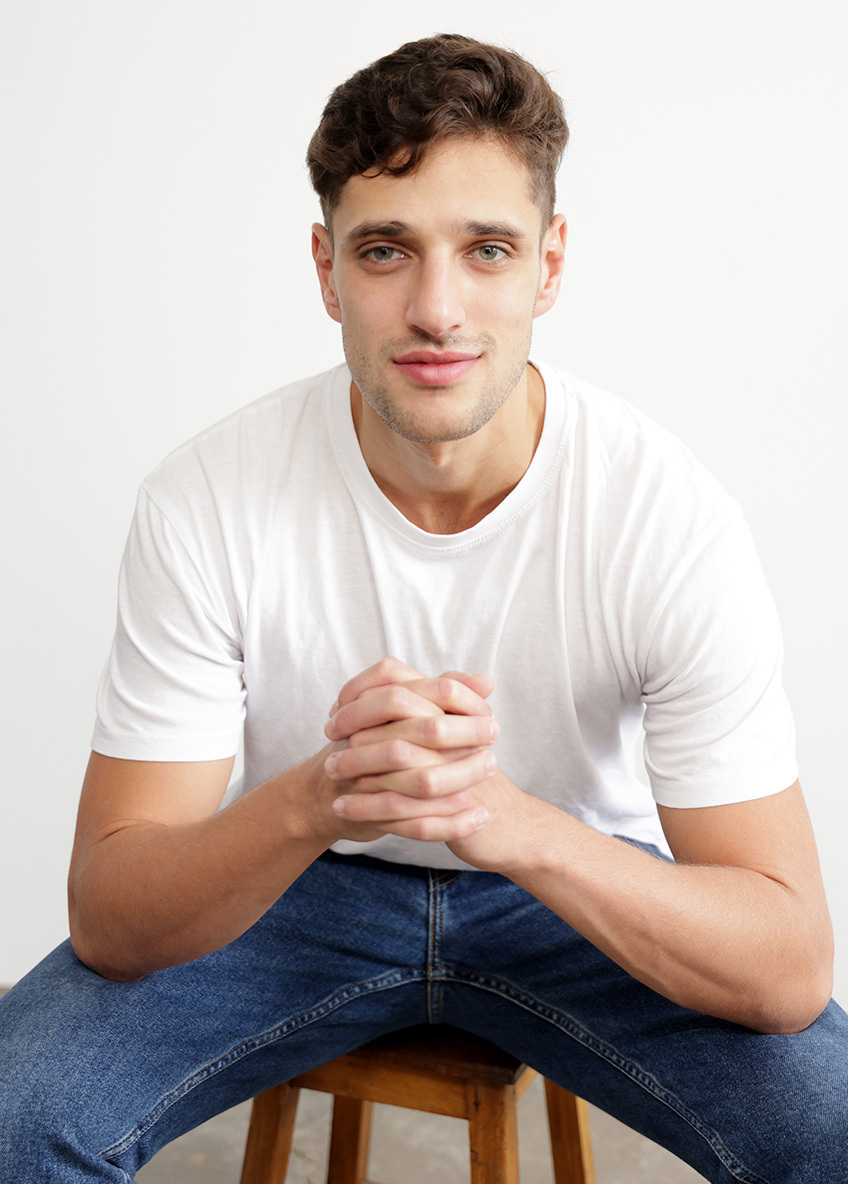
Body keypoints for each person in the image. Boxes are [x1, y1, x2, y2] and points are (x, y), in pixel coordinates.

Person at [0, 32, 845, 1183]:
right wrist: (322, 793)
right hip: (298, 884)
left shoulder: (666, 518)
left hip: (565, 893)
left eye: (485, 249)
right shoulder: (207, 497)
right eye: (385, 250)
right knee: (16, 1116)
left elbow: (787, 962)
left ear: (548, 265)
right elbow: (110, 911)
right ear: (325, 268)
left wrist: (515, 823)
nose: (435, 308)